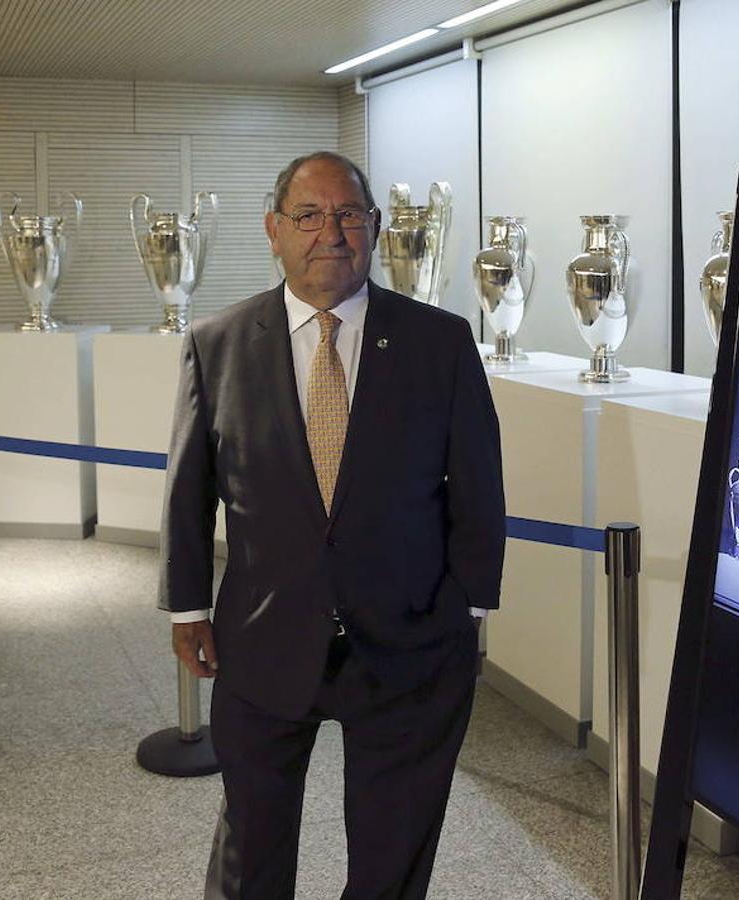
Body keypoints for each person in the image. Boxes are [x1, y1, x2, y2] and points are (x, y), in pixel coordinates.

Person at [159, 150, 506, 899]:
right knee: (251, 844)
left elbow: (478, 480)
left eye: (348, 215)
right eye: (309, 215)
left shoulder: (437, 342)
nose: (331, 233)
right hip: (261, 638)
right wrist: (187, 605)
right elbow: (192, 488)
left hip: (409, 643)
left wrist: (468, 605)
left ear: (375, 228)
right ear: (273, 230)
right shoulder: (217, 344)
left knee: (393, 852)